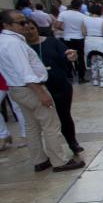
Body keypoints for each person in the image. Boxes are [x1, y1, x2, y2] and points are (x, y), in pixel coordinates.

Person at [0, 10, 84, 172]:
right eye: (21, 23)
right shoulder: (13, 43)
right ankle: (59, 161)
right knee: (50, 125)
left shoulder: (6, 41)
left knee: (31, 126)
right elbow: (25, 72)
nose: (25, 26)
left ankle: (40, 160)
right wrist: (41, 93)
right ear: (7, 25)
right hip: (29, 89)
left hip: (17, 89)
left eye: (26, 22)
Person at [22, 20, 83, 154]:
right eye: (25, 29)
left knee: (64, 115)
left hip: (59, 84)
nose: (29, 32)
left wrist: (72, 56)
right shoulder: (21, 47)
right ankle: (51, 152)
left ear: (37, 28)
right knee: (44, 120)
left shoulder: (51, 42)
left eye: (32, 28)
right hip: (37, 88)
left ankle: (72, 142)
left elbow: (67, 54)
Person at [57, 0, 88, 83]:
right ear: (80, 6)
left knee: (67, 57)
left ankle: (69, 76)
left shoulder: (63, 14)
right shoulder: (83, 16)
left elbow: (57, 25)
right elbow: (84, 29)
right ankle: (81, 77)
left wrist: (64, 29)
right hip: (78, 38)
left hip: (66, 38)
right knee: (80, 58)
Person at [83, 4, 103, 87]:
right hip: (100, 41)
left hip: (89, 41)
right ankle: (102, 81)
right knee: (101, 62)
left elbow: (84, 32)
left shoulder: (85, 20)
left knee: (93, 62)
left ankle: (95, 80)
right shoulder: (102, 20)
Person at [0, 72, 26, 150]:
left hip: (12, 77)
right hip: (2, 79)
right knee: (18, 108)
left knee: (18, 108)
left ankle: (26, 135)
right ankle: (3, 135)